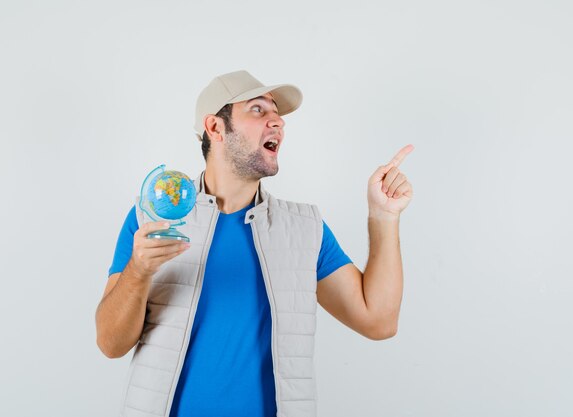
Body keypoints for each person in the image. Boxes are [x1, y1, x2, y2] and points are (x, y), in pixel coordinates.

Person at [95, 70, 413, 417]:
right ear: (215, 128)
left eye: (277, 114)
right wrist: (139, 271)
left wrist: (383, 217)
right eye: (258, 110)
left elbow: (379, 321)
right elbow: (111, 344)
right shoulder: (152, 219)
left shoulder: (304, 229)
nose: (277, 122)